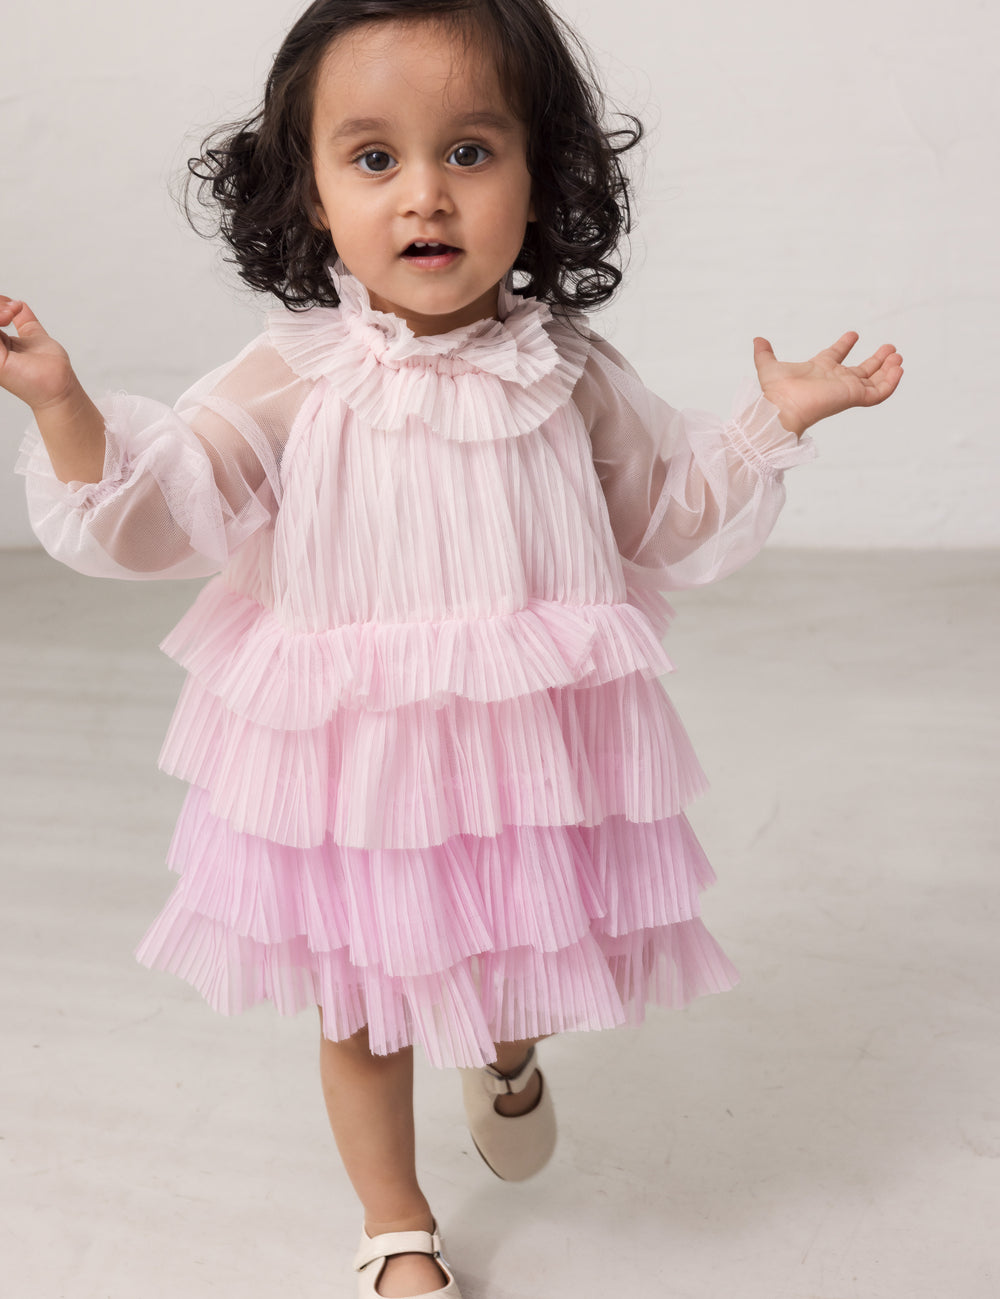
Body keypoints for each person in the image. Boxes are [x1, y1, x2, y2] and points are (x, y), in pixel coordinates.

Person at [0, 0, 903, 1294]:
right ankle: (397, 1226)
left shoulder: (568, 371)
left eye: (469, 152)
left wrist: (774, 424)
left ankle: (510, 1046)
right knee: (365, 1004)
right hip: (358, 771)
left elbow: (666, 514)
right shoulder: (291, 378)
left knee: (523, 963)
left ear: (543, 176)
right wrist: (63, 407)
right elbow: (160, 509)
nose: (424, 195)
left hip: (526, 758)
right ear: (310, 192)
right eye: (374, 158)